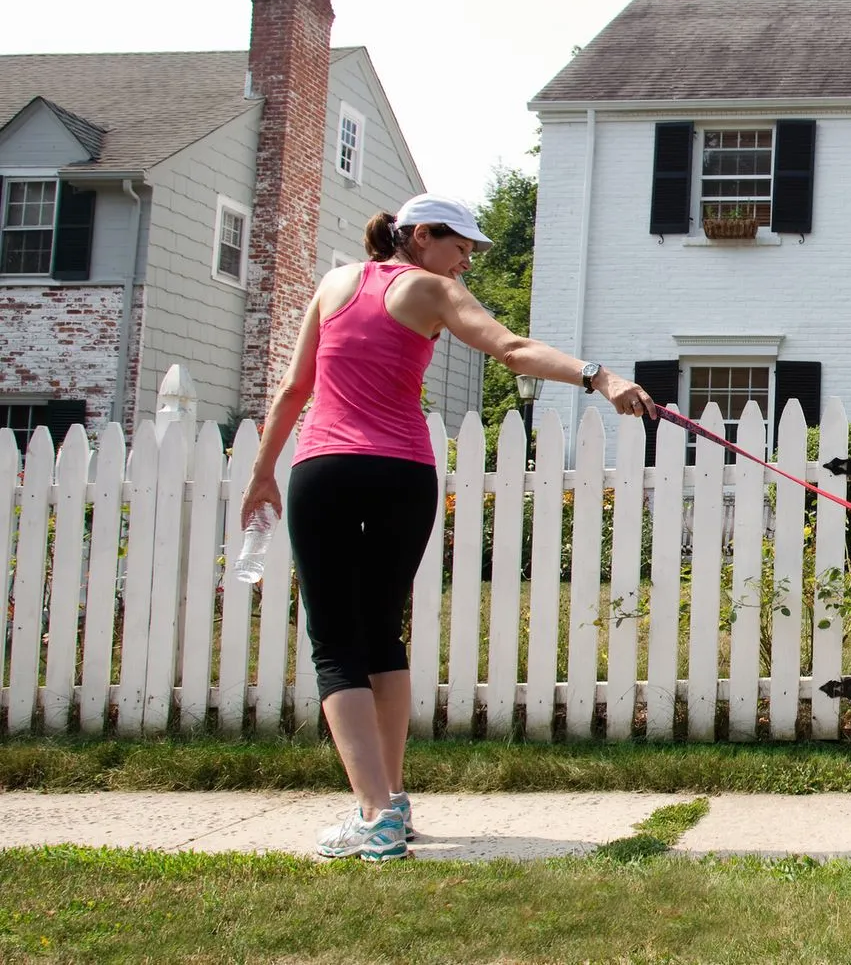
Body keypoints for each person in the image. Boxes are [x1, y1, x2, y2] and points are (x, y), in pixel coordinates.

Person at [239, 193, 654, 861]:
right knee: (377, 634)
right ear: (421, 235)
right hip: (403, 472)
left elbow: (295, 390)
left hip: (328, 468)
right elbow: (511, 350)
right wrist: (598, 378)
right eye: (460, 247)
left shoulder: (335, 284)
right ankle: (390, 805)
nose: (465, 262)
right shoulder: (429, 292)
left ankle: (376, 814)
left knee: (335, 643)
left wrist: (263, 473)